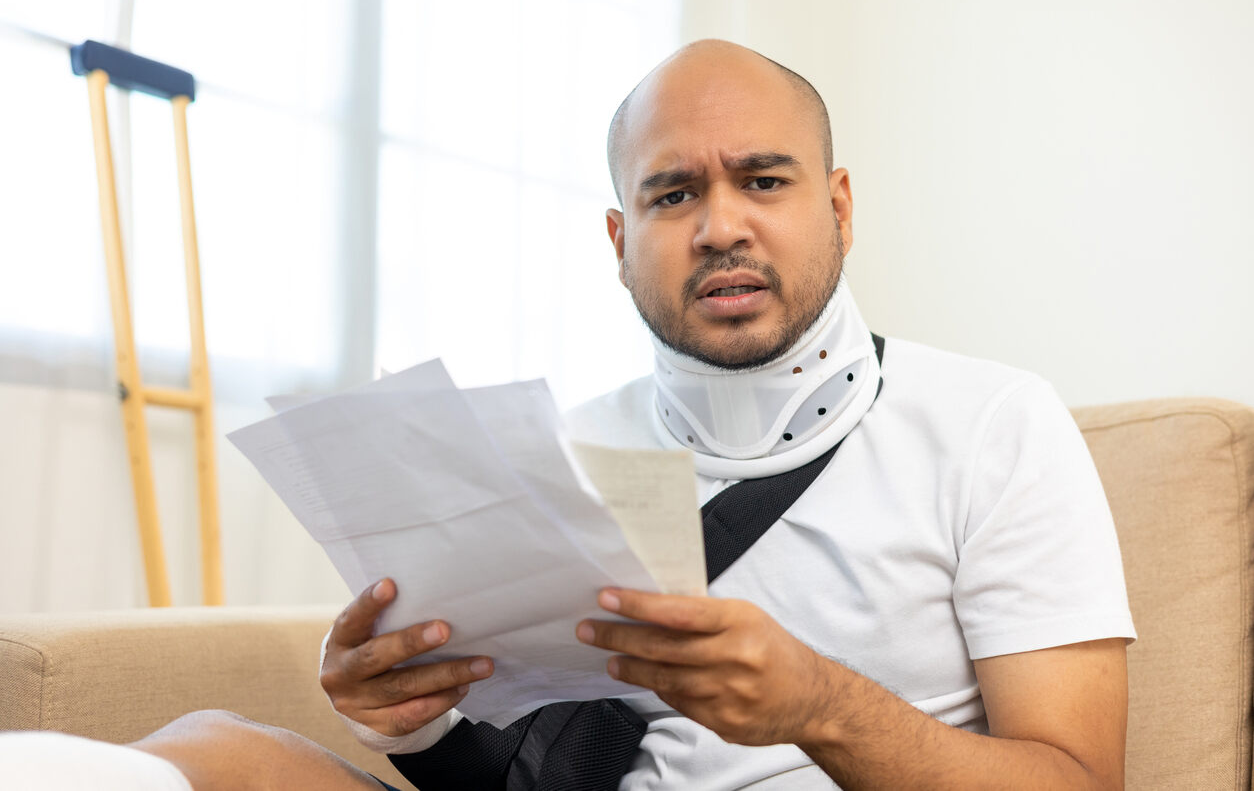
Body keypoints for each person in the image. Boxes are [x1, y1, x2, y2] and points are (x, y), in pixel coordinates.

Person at [123, 38, 1135, 789]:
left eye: (763, 180)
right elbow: (531, 771)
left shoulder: (995, 424)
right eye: (672, 193)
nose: (721, 226)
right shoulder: (565, 448)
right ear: (619, 238)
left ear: (839, 207)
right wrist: (413, 720)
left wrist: (819, 704)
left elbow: (1080, 778)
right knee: (209, 746)